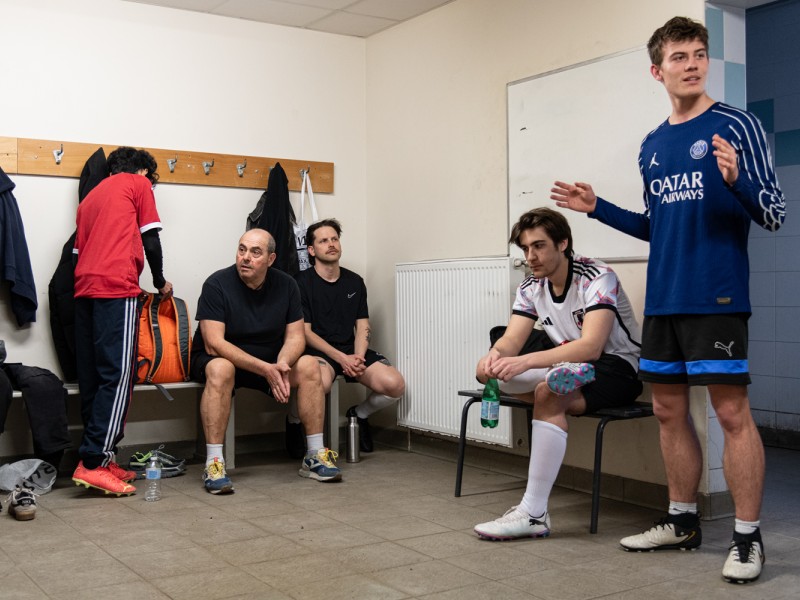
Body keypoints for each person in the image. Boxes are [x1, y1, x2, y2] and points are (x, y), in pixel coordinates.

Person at [551, 16, 785, 584]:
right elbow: (661, 226)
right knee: (666, 410)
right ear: (657, 70)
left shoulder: (739, 126)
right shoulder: (653, 145)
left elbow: (774, 213)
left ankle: (748, 539)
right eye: (679, 57)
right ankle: (682, 522)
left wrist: (739, 182)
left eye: (699, 54)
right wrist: (597, 207)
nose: (693, 64)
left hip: (718, 297)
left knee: (731, 413)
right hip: (665, 299)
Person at [473, 207, 642, 541]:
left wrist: (526, 362)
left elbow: (592, 347)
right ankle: (552, 381)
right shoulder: (531, 286)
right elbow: (511, 339)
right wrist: (493, 359)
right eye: (524, 248)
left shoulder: (597, 275)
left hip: (616, 367)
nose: (530, 256)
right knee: (492, 376)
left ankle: (533, 513)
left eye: (539, 246)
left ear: (563, 243)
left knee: (547, 389)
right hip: (565, 365)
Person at [190, 228, 341, 494]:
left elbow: (296, 337)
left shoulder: (286, 284)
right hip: (223, 358)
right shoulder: (217, 284)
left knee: (309, 365)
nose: (245, 257)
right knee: (221, 368)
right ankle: (214, 463)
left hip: (270, 360)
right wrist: (265, 369)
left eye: (255, 252)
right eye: (242, 249)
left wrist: (281, 364)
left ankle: (314, 455)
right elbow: (214, 343)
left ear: (270, 259)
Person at [71, 147, 173, 496]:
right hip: (116, 288)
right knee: (118, 377)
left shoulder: (89, 199)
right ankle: (94, 463)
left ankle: (103, 454)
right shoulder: (137, 183)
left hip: (84, 290)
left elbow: (78, 252)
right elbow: (151, 240)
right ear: (144, 171)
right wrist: (160, 282)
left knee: (98, 377)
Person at [294, 219, 405, 453]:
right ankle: (294, 422)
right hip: (318, 351)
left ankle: (359, 414)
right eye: (323, 241)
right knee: (319, 384)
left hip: (350, 350)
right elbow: (305, 332)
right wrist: (340, 358)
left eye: (334, 239)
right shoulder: (300, 283)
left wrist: (357, 357)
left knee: (395, 385)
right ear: (312, 250)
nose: (331, 244)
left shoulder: (354, 281)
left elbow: (363, 325)